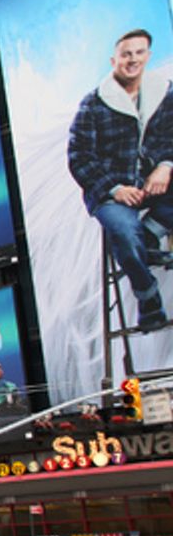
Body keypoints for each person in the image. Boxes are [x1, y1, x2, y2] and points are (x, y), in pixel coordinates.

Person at [68, 28, 173, 331]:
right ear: (114, 60)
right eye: (126, 54)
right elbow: (79, 157)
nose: (133, 60)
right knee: (124, 232)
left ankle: (150, 234)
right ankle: (147, 295)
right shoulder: (93, 104)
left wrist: (166, 165)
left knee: (136, 232)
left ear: (148, 56)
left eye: (139, 53)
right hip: (112, 192)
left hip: (156, 183)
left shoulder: (165, 93)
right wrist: (115, 189)